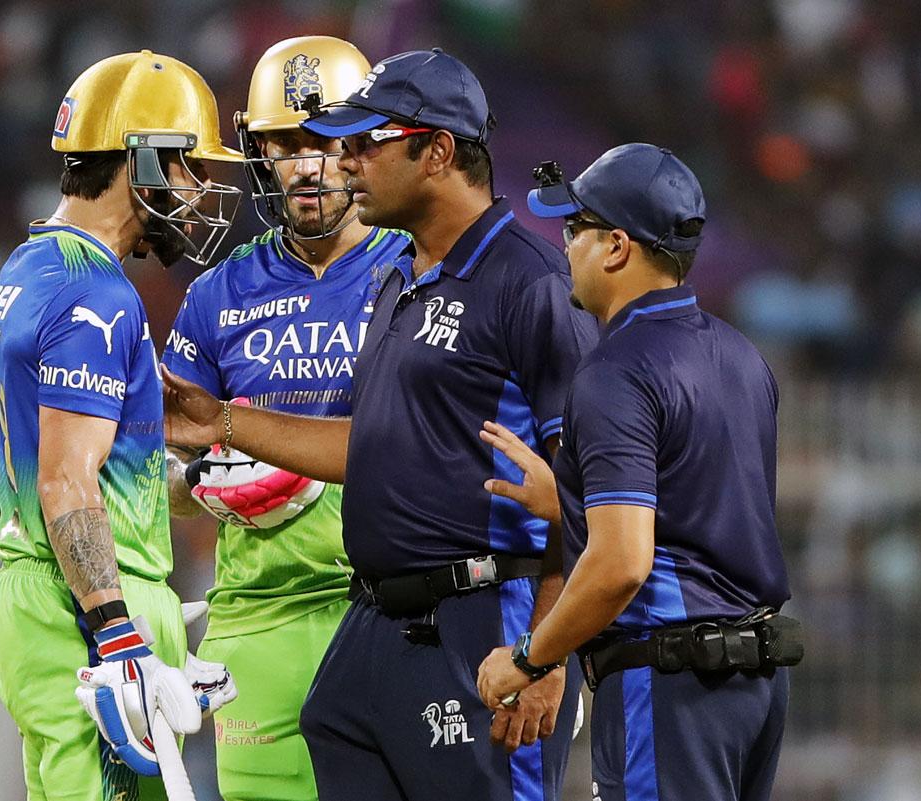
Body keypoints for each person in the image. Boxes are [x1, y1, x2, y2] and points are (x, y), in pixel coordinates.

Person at [161, 48, 597, 801]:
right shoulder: (406, 280)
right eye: (296, 145)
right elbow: (375, 444)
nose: (339, 162)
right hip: (374, 625)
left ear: (435, 151)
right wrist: (222, 423)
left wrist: (548, 653)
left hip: (484, 611)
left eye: (360, 143)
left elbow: (589, 489)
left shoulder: (531, 282)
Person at [475, 144, 803, 801]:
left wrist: (526, 656)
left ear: (617, 246)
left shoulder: (615, 369)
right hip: (756, 685)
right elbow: (691, 518)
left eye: (576, 228)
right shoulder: (740, 354)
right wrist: (569, 500)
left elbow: (625, 562)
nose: (564, 245)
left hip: (672, 681)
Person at [0, 50, 243, 801]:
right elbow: (66, 481)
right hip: (86, 612)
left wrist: (195, 485)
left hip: (49, 598)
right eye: (190, 167)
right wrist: (121, 632)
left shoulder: (28, 271)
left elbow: (91, 465)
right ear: (144, 160)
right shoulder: (99, 292)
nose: (198, 195)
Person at [160, 35, 410, 801]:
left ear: (366, 144)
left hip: (397, 610)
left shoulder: (421, 267)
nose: (307, 166)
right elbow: (165, 464)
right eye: (285, 144)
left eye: (327, 142)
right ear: (259, 152)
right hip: (258, 616)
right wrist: (201, 481)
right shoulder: (215, 293)